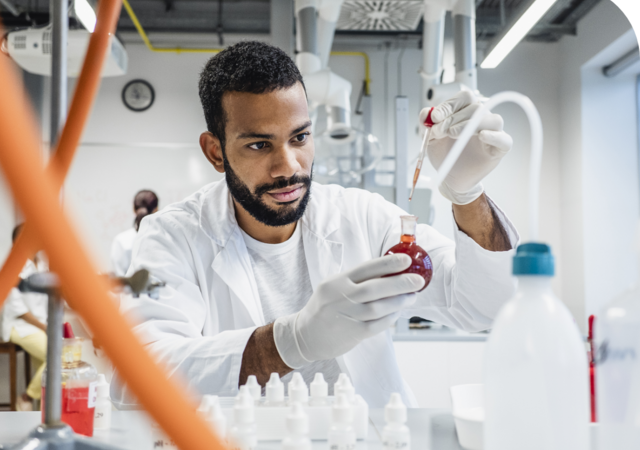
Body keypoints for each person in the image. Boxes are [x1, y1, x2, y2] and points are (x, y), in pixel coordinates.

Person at [112, 42, 518, 409]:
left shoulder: (363, 217)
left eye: (300, 138)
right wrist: (291, 342)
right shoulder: (173, 236)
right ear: (215, 152)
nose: (288, 166)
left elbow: (485, 307)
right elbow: (135, 377)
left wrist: (468, 194)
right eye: (259, 144)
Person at [1, 224, 49, 411]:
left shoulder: (42, 265)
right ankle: (26, 397)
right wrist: (45, 327)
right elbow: (17, 308)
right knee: (56, 355)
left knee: (47, 367)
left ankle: (41, 411)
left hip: (39, 326)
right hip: (19, 326)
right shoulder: (14, 266)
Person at [110, 190, 158, 276]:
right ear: (156, 209)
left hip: (128, 289)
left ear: (134, 209)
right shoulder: (165, 238)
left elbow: (119, 276)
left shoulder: (121, 240)